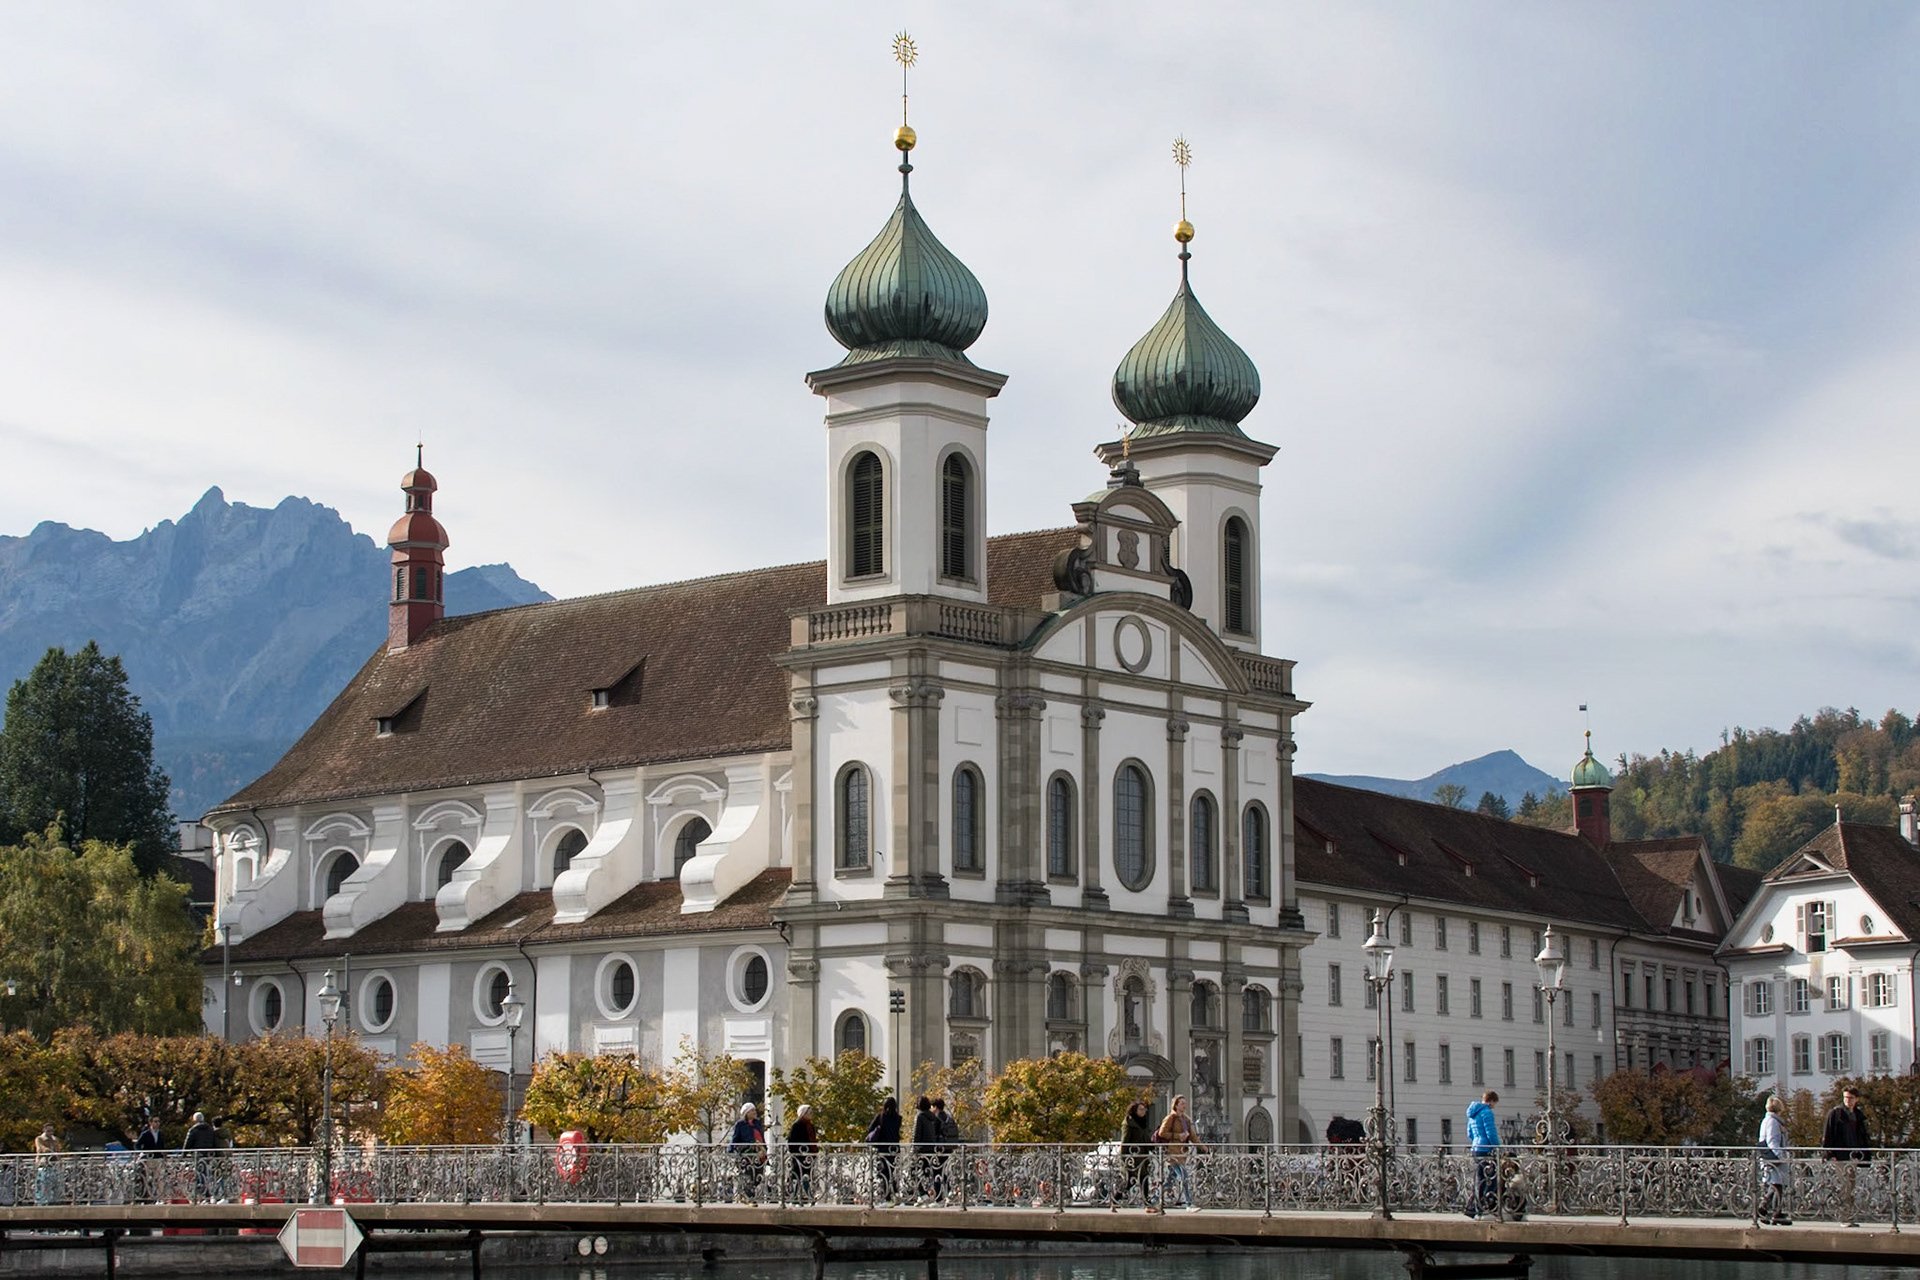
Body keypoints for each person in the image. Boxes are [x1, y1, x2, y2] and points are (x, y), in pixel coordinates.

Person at [1823, 1085, 1871, 1225]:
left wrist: (1862, 1155)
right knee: (1844, 1187)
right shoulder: (1836, 1113)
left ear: (1856, 1099)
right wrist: (1830, 1153)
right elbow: (1828, 1133)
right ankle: (1844, 1217)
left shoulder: (1857, 1115)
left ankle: (1849, 1216)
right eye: (1845, 1098)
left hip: (1854, 1155)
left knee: (1850, 1187)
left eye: (1850, 1098)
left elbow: (1861, 1135)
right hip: (1841, 1155)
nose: (1847, 1101)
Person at [1155, 1095, 1205, 1211]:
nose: (1184, 1105)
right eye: (1182, 1103)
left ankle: (1154, 1200)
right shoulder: (1170, 1118)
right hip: (1172, 1153)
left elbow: (1192, 1135)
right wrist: (1178, 1136)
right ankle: (1188, 1204)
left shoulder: (1186, 1120)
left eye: (1184, 1103)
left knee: (1169, 1181)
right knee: (1184, 1177)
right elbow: (1162, 1133)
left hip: (1182, 1153)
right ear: (1176, 1105)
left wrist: (1202, 1146)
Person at [1114, 1099, 1156, 1211]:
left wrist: (1152, 1146)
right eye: (1141, 1109)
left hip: (1142, 1157)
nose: (1143, 1112)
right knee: (1131, 1181)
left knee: (1143, 1179)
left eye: (1144, 1109)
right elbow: (1125, 1142)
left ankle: (1147, 1204)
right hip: (1133, 1158)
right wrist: (1124, 1158)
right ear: (1135, 1110)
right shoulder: (1129, 1123)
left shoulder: (1142, 1123)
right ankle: (1115, 1200)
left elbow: (1145, 1139)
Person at [1465, 1090, 1500, 1219]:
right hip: (1486, 1149)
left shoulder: (1473, 1114)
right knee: (1490, 1179)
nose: (1494, 1106)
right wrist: (1497, 1147)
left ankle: (1474, 1208)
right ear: (1491, 1101)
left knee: (1480, 1179)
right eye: (1494, 1103)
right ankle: (1484, 1208)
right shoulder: (1487, 1113)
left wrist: (1476, 1142)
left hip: (1476, 1148)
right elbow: (1491, 1132)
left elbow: (1470, 1133)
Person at [1759, 1095, 1791, 1225]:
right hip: (1775, 1158)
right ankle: (1768, 1210)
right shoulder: (1773, 1122)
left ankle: (1770, 1210)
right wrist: (1780, 1156)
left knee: (1776, 1185)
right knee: (1777, 1186)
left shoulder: (1769, 1120)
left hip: (1770, 1157)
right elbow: (1773, 1141)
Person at [865, 1097, 902, 1204]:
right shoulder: (898, 1118)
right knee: (892, 1172)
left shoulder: (880, 1117)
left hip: (882, 1149)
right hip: (894, 1149)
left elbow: (870, 1129)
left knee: (883, 1173)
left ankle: (887, 1197)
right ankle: (893, 1194)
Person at [728, 1102, 766, 1204]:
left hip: (759, 1153)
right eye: (752, 1110)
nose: (754, 1112)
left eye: (754, 1110)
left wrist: (764, 1148)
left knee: (758, 1176)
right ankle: (750, 1198)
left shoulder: (757, 1123)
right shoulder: (740, 1124)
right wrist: (731, 1150)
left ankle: (747, 1196)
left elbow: (761, 1137)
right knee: (748, 1176)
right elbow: (735, 1138)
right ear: (746, 1113)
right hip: (747, 1154)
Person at [181, 1111, 219, 1202]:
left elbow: (188, 1143)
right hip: (208, 1155)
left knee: (199, 1176)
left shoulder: (193, 1130)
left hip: (198, 1155)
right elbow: (213, 1142)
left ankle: (199, 1196)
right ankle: (207, 1196)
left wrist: (184, 1154)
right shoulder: (210, 1129)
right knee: (207, 1175)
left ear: (195, 1120)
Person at [910, 1096, 940, 1202]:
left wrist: (913, 1150)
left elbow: (916, 1135)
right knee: (927, 1173)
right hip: (931, 1149)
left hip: (921, 1149)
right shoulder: (932, 1117)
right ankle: (931, 1195)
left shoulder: (919, 1116)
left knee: (913, 1172)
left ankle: (922, 1195)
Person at [786, 1104, 819, 1202]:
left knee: (805, 1176)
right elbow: (791, 1141)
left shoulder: (810, 1126)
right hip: (800, 1156)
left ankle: (803, 1195)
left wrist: (814, 1151)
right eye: (809, 1112)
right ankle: (798, 1195)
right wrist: (797, 1153)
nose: (811, 1114)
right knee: (798, 1175)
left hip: (809, 1155)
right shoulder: (797, 1125)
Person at [932, 1098, 960, 1200]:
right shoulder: (949, 1118)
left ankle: (938, 1196)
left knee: (937, 1172)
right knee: (945, 1172)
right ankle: (948, 1193)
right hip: (948, 1148)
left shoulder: (936, 1119)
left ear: (935, 1107)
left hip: (939, 1149)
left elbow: (934, 1134)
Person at [135, 1117, 166, 1203]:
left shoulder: (160, 1134)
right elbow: (137, 1145)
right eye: (155, 1122)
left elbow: (162, 1146)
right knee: (148, 1179)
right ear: (151, 1123)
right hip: (149, 1159)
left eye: (158, 1121)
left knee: (160, 1178)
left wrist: (164, 1155)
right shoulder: (146, 1134)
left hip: (158, 1158)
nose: (157, 1123)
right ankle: (148, 1197)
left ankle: (161, 1198)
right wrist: (142, 1153)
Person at [32, 1124, 61, 1205]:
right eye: (48, 1131)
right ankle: (41, 1200)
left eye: (52, 1131)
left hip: (54, 1163)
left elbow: (58, 1150)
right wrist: (49, 1151)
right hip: (43, 1162)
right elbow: (41, 1148)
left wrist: (59, 1159)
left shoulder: (55, 1139)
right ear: (44, 1130)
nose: (50, 1133)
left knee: (53, 1181)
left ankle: (53, 1199)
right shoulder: (39, 1139)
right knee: (42, 1181)